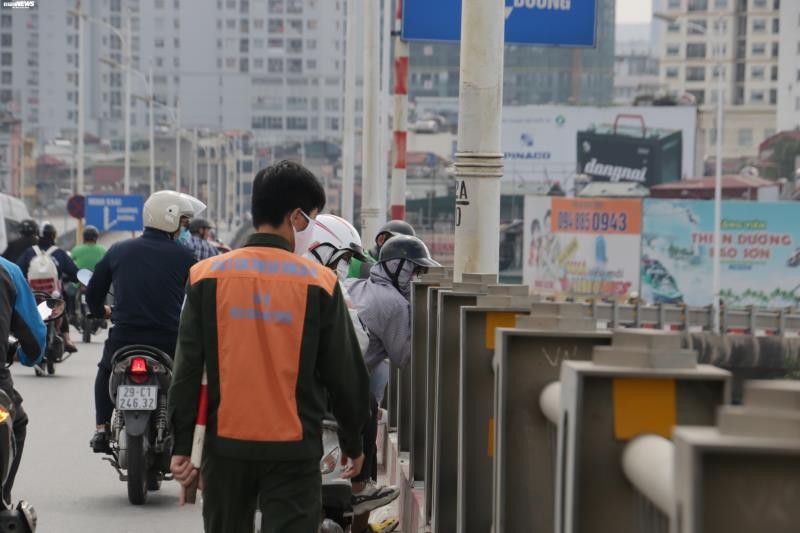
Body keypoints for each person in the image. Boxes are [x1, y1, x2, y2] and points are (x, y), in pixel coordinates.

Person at [168, 161, 370, 533]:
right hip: (294, 452)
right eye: (311, 218)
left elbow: (186, 372)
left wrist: (182, 447)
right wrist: (354, 442)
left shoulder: (206, 277)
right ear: (295, 217)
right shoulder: (320, 283)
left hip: (224, 448)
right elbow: (345, 375)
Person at [303, 214, 400, 533]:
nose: (345, 266)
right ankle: (360, 486)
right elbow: (353, 346)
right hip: (312, 401)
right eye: (343, 257)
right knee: (364, 402)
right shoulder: (325, 285)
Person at [86, 190, 202, 453]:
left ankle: (102, 430)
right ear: (169, 218)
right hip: (168, 339)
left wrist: (99, 311)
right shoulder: (185, 257)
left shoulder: (119, 250)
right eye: (183, 223)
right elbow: (199, 297)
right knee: (187, 379)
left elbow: (93, 291)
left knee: (105, 370)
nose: (184, 230)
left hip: (125, 337)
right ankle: (186, 435)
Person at [345, 235, 440, 529]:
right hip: (348, 386)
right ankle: (362, 489)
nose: (415, 279)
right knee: (369, 414)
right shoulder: (396, 304)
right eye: (414, 271)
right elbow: (404, 357)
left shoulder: (355, 285)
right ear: (398, 267)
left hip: (323, 379)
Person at [0, 256, 46, 501]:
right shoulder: (8, 270)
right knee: (15, 422)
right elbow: (35, 340)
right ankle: (3, 498)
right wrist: (27, 356)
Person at [16, 223, 80, 353]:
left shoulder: (30, 252)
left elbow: (18, 270)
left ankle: (20, 340)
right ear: (53, 236)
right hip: (54, 294)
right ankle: (67, 338)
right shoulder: (59, 253)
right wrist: (75, 278)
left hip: (33, 294)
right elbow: (73, 272)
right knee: (63, 306)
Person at [348, 220, 416, 280]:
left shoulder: (360, 257)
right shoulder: (372, 269)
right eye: (397, 244)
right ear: (381, 239)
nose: (402, 252)